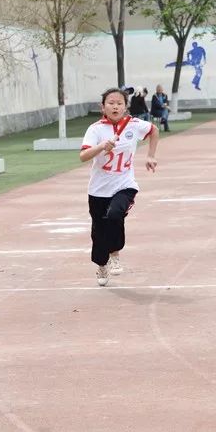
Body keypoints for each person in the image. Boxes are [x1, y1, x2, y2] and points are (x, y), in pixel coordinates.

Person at [80, 88, 159, 286]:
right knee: (99, 230)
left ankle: (115, 254)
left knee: (115, 214)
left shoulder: (134, 125)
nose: (115, 106)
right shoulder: (96, 129)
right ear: (103, 106)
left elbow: (153, 131)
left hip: (124, 184)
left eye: (119, 103)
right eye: (111, 103)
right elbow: (83, 156)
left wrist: (151, 155)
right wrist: (101, 147)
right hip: (98, 189)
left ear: (125, 106)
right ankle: (101, 265)